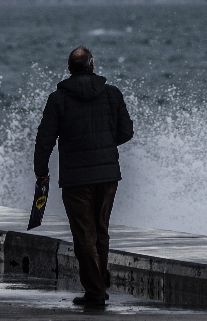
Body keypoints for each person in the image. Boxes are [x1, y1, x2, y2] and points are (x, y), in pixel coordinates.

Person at [34, 45, 133, 307]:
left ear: (69, 70)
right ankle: (98, 286)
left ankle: (96, 292)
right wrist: (104, 147)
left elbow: (45, 139)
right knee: (101, 231)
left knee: (84, 235)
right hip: (107, 175)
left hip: (77, 179)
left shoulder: (58, 99)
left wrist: (41, 172)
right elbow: (126, 132)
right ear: (92, 66)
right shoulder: (112, 94)